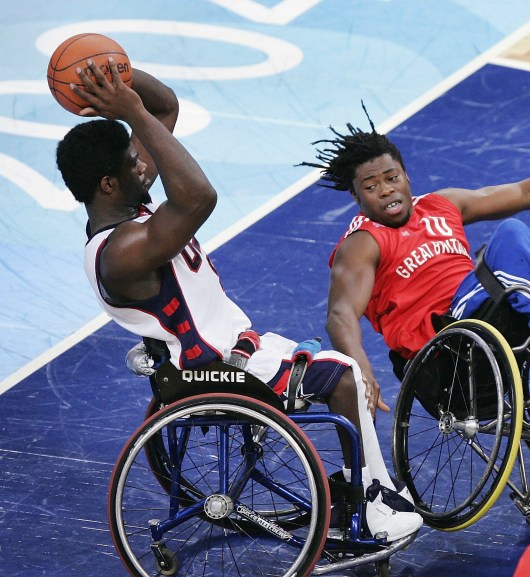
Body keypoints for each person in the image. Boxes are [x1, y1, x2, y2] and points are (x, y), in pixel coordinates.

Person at [55, 57, 420, 541]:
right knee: (344, 376)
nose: (144, 163)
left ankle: (371, 490)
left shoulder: (131, 211)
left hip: (237, 350)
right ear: (108, 184)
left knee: (338, 366)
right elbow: (199, 197)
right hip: (213, 368)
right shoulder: (122, 252)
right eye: (132, 161)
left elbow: (164, 105)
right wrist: (131, 114)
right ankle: (372, 501)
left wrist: (117, 78)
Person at [301, 111, 530, 414]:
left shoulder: (441, 204)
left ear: (406, 176)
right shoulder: (363, 242)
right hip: (447, 344)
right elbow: (340, 314)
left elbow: (527, 192)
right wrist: (362, 369)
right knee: (511, 235)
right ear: (356, 195)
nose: (386, 190)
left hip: (483, 316)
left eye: (392, 177)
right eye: (371, 185)